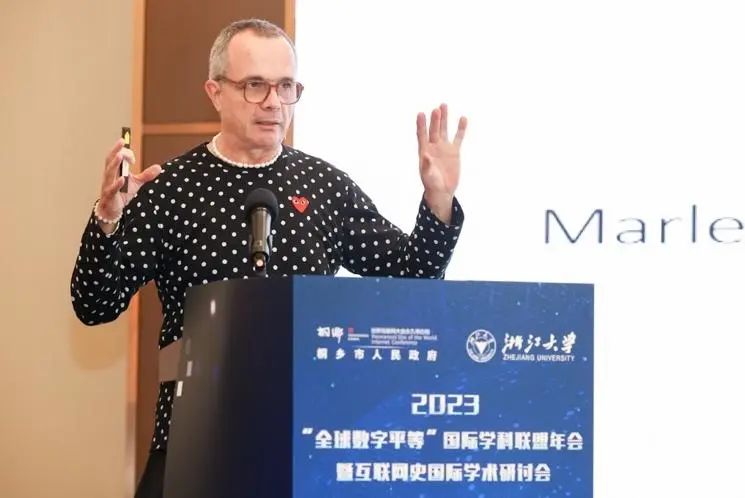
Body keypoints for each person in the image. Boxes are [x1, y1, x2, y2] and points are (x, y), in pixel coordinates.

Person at [71, 18, 467, 498]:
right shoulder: (171, 188)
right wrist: (107, 219)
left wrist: (439, 200)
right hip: (193, 433)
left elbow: (414, 277)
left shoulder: (324, 187)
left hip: (306, 438)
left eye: (286, 86)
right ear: (215, 92)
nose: (274, 102)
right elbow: (95, 304)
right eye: (255, 85)